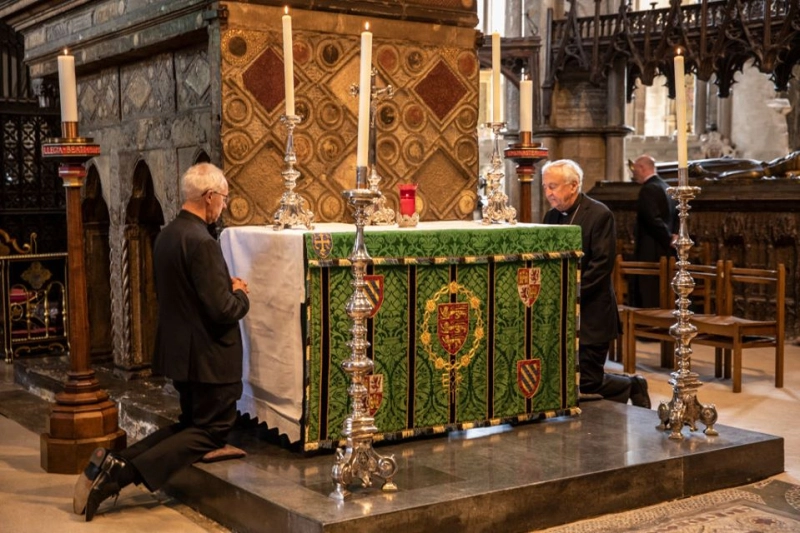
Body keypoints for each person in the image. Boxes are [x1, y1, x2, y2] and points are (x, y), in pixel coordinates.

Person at [73, 162, 251, 521]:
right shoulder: (202, 242)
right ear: (210, 196)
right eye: (224, 199)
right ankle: (119, 475)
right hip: (210, 359)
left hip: (181, 355)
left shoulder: (169, 234)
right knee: (211, 432)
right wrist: (239, 292)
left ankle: (111, 461)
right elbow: (223, 310)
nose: (224, 206)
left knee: (191, 426)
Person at [542, 159, 650, 408]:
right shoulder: (552, 216)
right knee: (568, 379)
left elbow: (601, 266)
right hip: (564, 312)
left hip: (593, 313)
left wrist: (571, 294)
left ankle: (631, 385)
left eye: (553, 187)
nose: (548, 193)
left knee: (587, 383)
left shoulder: (599, 214)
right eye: (546, 187)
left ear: (573, 186)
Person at [630, 154, 677, 308]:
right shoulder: (666, 186)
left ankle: (649, 321)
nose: (633, 173)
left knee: (649, 288)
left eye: (635, 169)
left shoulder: (648, 189)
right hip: (666, 249)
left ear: (642, 168)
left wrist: (667, 237)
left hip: (651, 247)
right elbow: (676, 214)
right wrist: (673, 236)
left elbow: (652, 218)